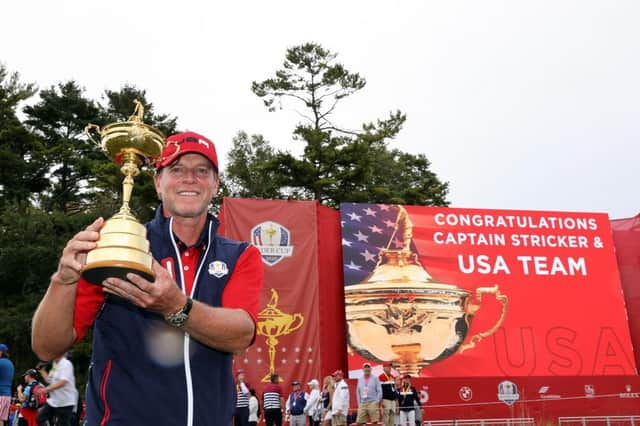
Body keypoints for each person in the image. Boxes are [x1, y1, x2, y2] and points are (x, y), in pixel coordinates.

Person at [31, 131, 264, 425]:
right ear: (157, 182)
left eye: (201, 171)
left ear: (214, 184)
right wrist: (63, 280)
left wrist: (175, 306)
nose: (189, 178)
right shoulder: (118, 246)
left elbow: (241, 335)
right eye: (176, 169)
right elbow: (47, 347)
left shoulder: (240, 256)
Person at [35, 354, 78, 426]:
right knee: (40, 418)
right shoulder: (55, 364)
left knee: (62, 424)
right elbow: (49, 380)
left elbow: (63, 382)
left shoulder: (66, 364)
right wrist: (42, 371)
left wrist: (46, 389)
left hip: (65, 402)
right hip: (54, 401)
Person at [0, 344, 15, 426]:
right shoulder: (10, 364)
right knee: (1, 420)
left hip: (0, 395)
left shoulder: (1, 362)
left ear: (1, 352)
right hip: (7, 396)